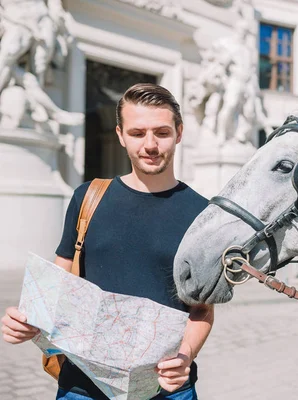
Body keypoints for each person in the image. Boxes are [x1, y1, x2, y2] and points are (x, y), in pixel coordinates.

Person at [1, 83, 213, 400]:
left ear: (179, 133)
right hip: (81, 387)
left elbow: (202, 310)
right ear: (120, 135)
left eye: (162, 132)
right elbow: (57, 287)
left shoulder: (202, 214)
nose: (151, 145)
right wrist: (26, 321)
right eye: (138, 133)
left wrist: (185, 356)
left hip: (165, 389)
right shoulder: (87, 197)